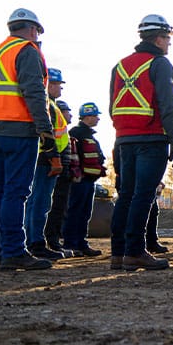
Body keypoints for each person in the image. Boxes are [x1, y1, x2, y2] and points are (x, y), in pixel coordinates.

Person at [0, 8, 55, 270]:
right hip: (19, 129)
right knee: (16, 192)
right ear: (33, 29)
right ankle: (13, 251)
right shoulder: (28, 51)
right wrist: (46, 130)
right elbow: (33, 92)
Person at [108, 14, 173, 272]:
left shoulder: (120, 66)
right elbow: (167, 104)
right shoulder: (160, 64)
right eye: (168, 38)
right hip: (151, 138)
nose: (169, 44)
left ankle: (118, 253)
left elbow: (111, 105)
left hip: (124, 139)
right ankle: (136, 252)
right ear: (159, 38)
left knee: (126, 195)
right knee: (143, 195)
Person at [23, 67, 67, 259]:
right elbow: (46, 134)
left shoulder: (49, 105)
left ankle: (34, 241)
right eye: (56, 84)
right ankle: (35, 242)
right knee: (38, 203)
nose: (59, 89)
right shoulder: (46, 106)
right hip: (45, 160)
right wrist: (54, 157)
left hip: (45, 158)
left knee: (37, 203)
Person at [62, 102, 105, 257]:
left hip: (90, 180)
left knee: (85, 213)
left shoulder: (88, 134)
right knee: (75, 211)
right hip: (79, 180)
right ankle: (71, 243)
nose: (98, 119)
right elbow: (73, 156)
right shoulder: (76, 133)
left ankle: (81, 242)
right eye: (95, 116)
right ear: (87, 116)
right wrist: (76, 174)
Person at [45, 99, 76, 254]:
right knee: (50, 207)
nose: (69, 114)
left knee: (58, 208)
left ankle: (53, 240)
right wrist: (54, 159)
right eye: (67, 111)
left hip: (61, 169)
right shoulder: (50, 108)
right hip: (52, 166)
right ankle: (48, 241)